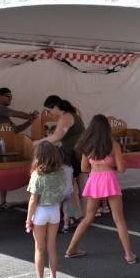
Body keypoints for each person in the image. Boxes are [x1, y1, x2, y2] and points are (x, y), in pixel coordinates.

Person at [64, 114, 137, 264]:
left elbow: (84, 168)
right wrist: (111, 165)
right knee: (119, 219)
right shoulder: (113, 144)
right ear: (106, 128)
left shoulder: (87, 145)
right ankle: (129, 255)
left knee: (88, 218)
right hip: (109, 179)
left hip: (94, 180)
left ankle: (71, 250)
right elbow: (122, 168)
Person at [0, 87, 39, 211]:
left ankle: (2, 202)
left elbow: (16, 130)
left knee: (3, 176)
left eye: (11, 96)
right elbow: (16, 113)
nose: (10, 98)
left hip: (2, 147)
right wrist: (30, 116)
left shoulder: (4, 115)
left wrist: (30, 122)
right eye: (7, 96)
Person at [34, 95, 86, 225]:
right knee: (81, 186)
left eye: (49, 110)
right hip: (80, 153)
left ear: (56, 107)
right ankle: (83, 215)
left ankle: (75, 215)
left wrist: (37, 142)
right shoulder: (73, 114)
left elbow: (56, 137)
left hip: (72, 155)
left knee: (70, 188)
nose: (49, 113)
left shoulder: (66, 117)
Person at [25, 141, 66, 278]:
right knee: (52, 246)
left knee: (39, 247)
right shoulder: (61, 172)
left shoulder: (37, 175)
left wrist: (29, 219)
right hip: (55, 211)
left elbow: (33, 200)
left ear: (38, 157)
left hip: (41, 212)